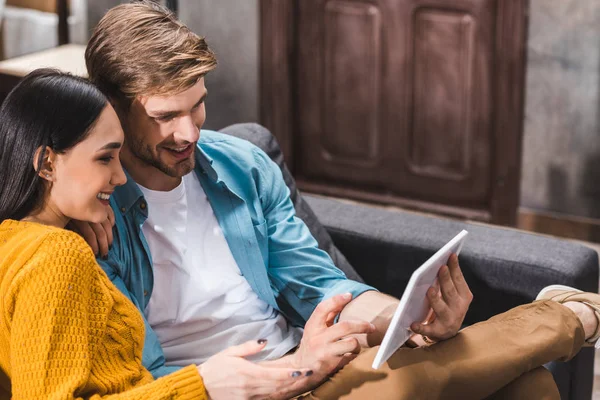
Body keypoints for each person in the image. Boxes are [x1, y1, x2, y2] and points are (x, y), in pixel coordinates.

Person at [74, 2, 600, 399]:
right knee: (408, 390)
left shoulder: (240, 166)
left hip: (307, 360)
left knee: (525, 387)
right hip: (237, 387)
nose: (189, 132)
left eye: (198, 106)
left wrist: (408, 319)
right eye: (165, 116)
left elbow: (319, 285)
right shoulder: (92, 211)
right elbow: (141, 379)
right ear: (113, 111)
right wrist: (293, 370)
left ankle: (565, 317)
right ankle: (569, 318)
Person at [0, 69, 313, 399]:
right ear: (46, 164)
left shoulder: (15, 246)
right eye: (104, 158)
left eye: (118, 157)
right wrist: (202, 384)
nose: (121, 178)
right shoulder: (57, 255)